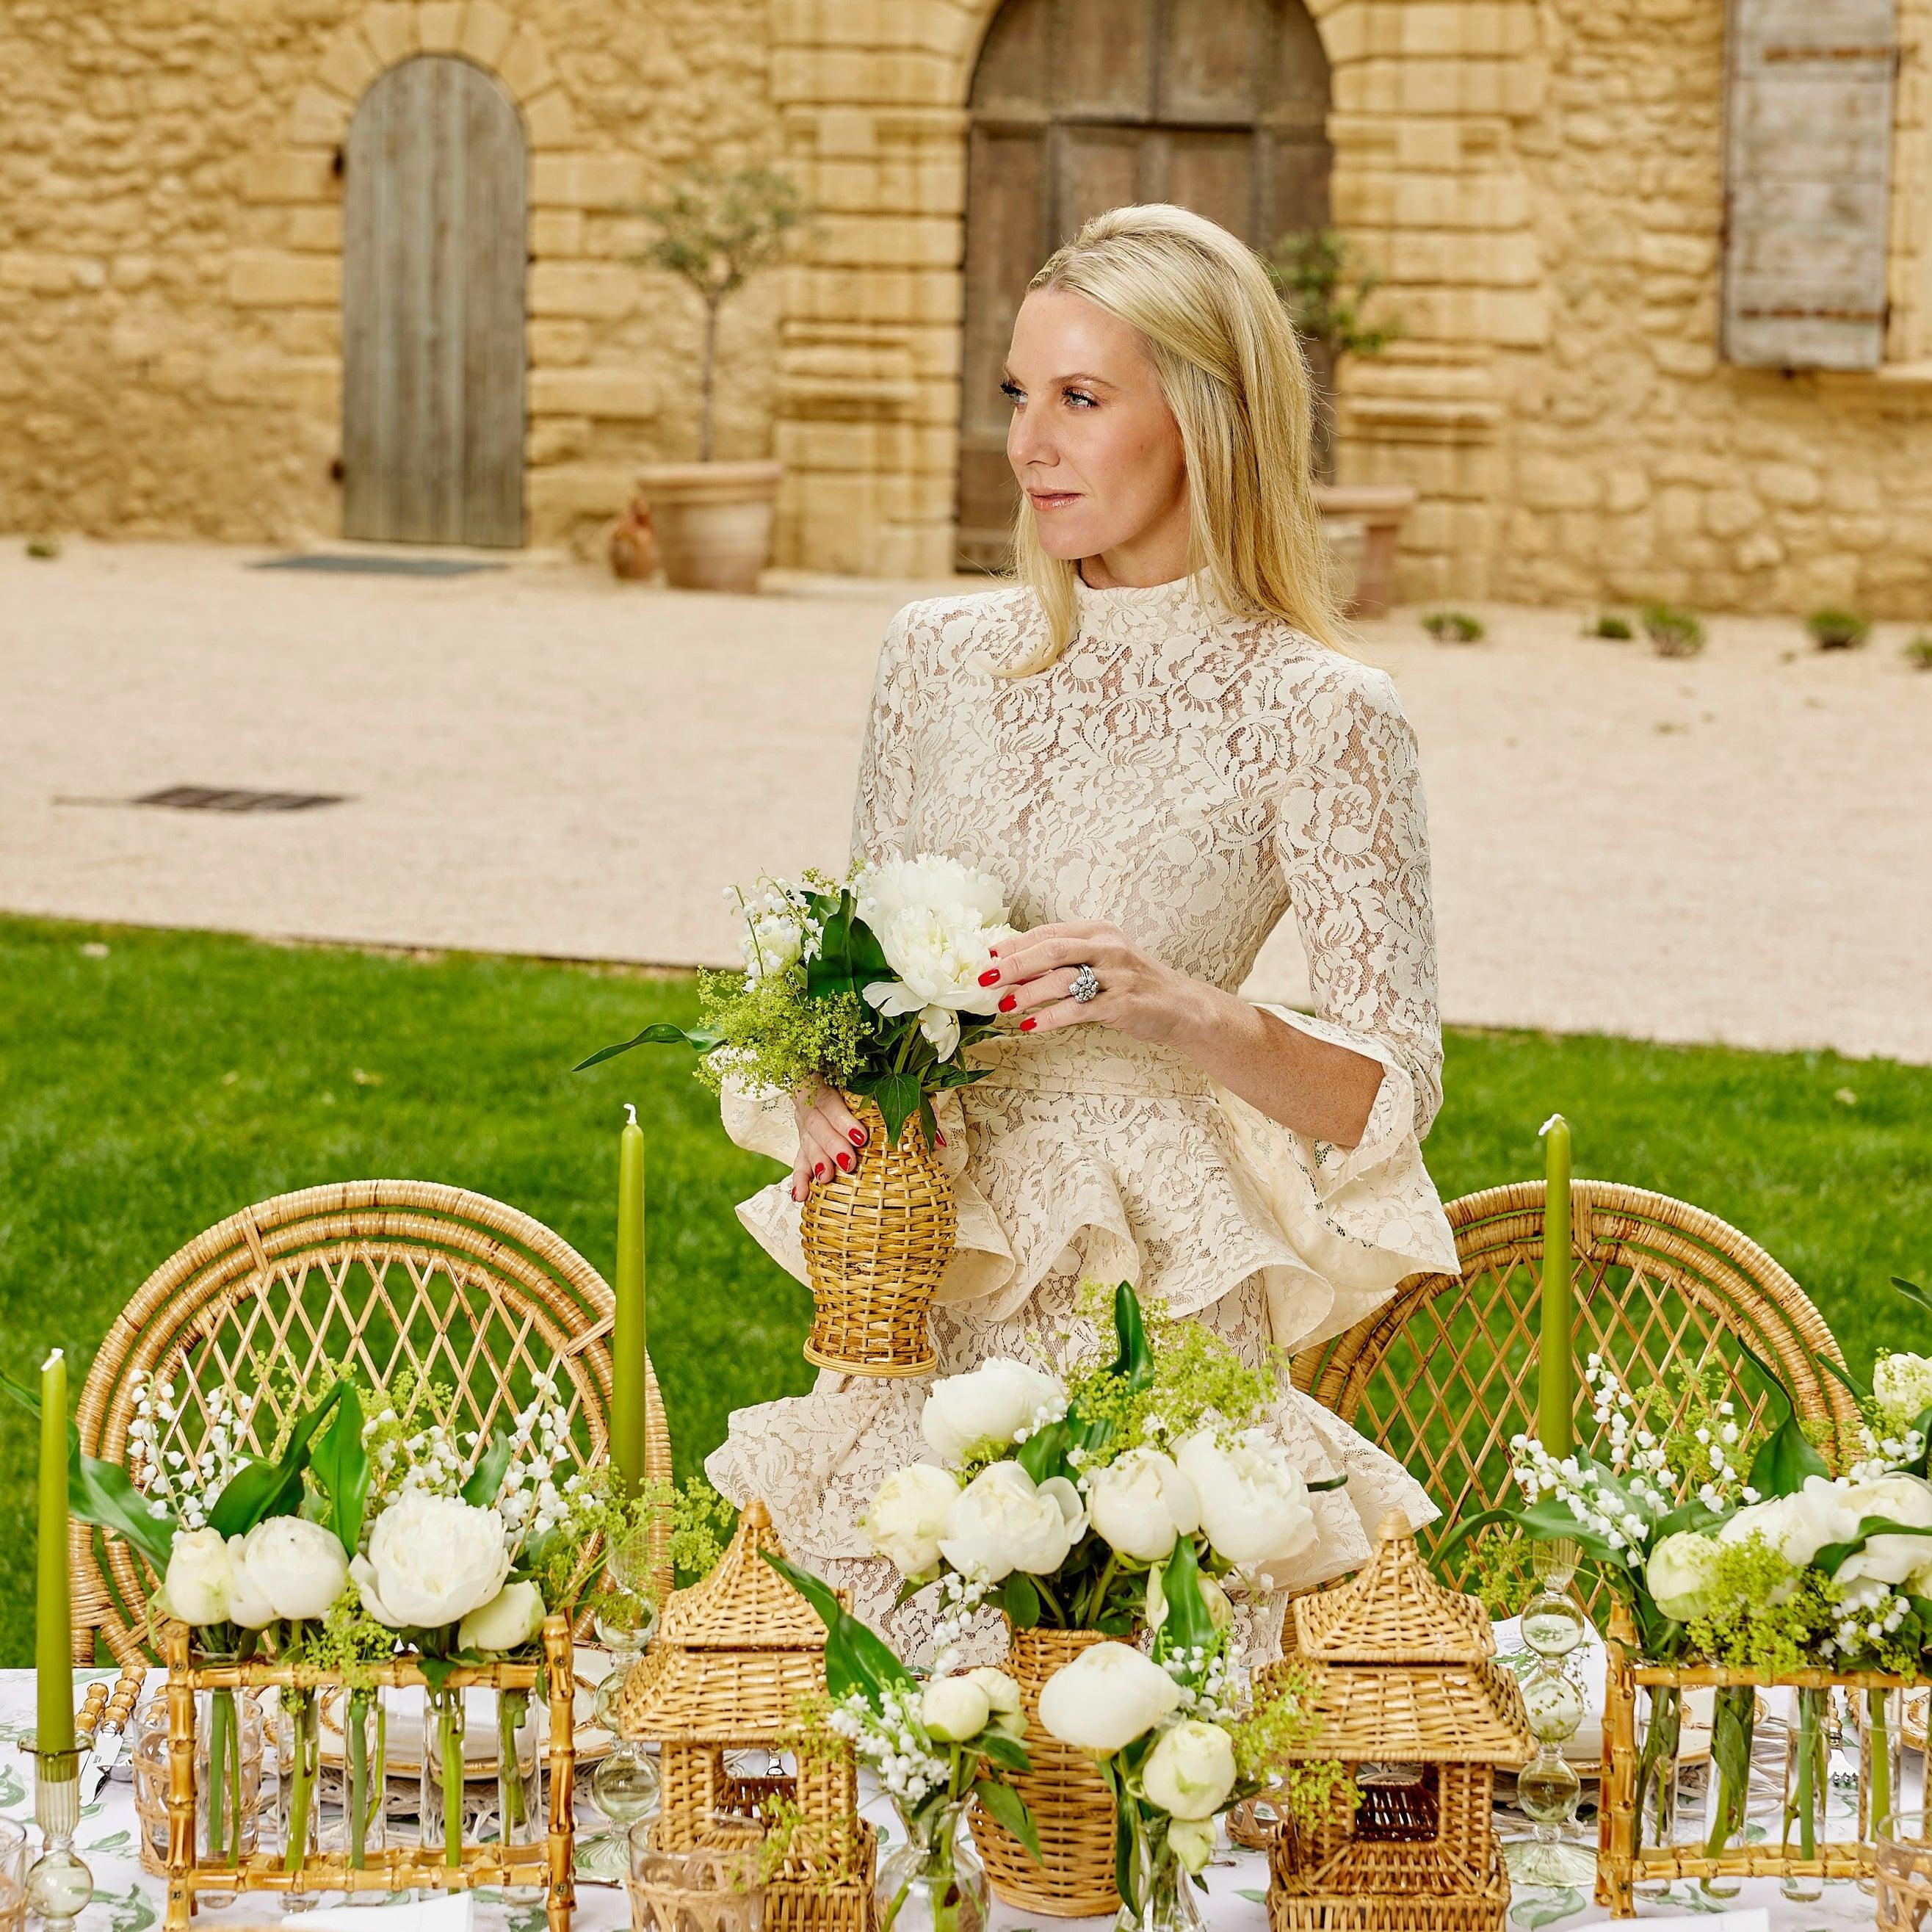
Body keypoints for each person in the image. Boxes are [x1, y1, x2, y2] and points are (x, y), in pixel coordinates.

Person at [704, 203, 1460, 1666]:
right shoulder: (935, 653)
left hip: (1151, 1285)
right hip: (930, 1263)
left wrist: (1178, 1007)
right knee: (885, 1717)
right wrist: (825, 1097)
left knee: (1134, 1730)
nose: (1025, 441)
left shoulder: (1320, 710)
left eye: (1078, 397)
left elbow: (1387, 1089)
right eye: (1015, 393)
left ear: (1201, 418)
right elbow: (859, 981)